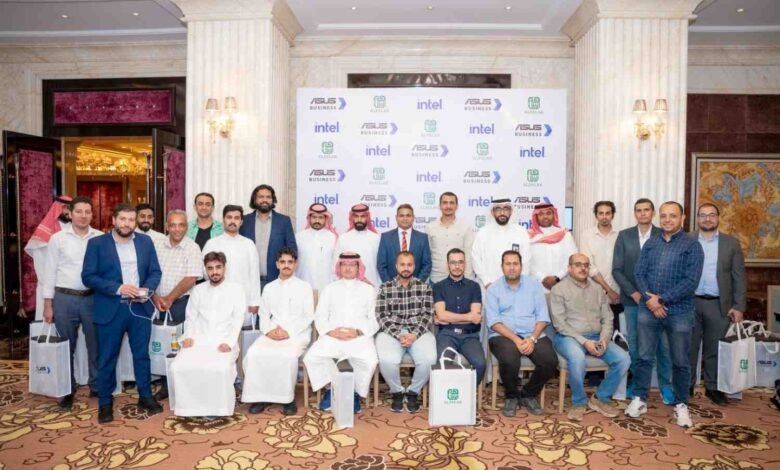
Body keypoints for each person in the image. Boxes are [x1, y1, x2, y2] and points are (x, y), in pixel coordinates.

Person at [82, 203, 163, 424]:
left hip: (140, 308)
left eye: (130, 220)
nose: (127, 224)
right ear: (114, 220)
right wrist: (117, 288)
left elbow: (155, 271)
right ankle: (105, 403)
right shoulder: (97, 244)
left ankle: (145, 396)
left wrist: (147, 289)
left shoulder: (146, 242)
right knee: (107, 357)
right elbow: (88, 277)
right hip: (111, 308)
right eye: (123, 219)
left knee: (142, 355)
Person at [627, 201, 704, 428]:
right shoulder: (651, 243)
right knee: (643, 357)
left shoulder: (692, 246)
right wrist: (651, 301)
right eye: (664, 216)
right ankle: (639, 399)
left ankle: (681, 404)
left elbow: (691, 282)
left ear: (683, 217)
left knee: (680, 361)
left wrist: (661, 299)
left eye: (672, 216)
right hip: (648, 310)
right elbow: (639, 273)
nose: (667, 220)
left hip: (679, 312)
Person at [550, 253, 630, 421]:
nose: (583, 268)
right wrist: (585, 342)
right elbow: (560, 324)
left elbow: (608, 318)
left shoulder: (597, 289)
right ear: (569, 268)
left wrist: (604, 338)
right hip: (568, 337)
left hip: (597, 336)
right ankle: (579, 402)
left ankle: (600, 398)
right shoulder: (559, 290)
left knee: (624, 359)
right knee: (578, 358)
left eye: (586, 265)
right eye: (578, 264)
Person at [168, 251, 246, 417]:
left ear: (225, 268)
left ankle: (218, 409)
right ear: (205, 270)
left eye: (218, 267)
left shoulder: (236, 290)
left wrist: (229, 343)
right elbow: (191, 317)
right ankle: (190, 408)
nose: (215, 272)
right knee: (178, 366)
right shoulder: (198, 290)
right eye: (210, 268)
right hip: (199, 339)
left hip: (224, 340)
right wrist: (188, 337)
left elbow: (238, 320)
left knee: (220, 367)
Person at [41, 196, 101, 410]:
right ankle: (67, 390)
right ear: (70, 213)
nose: (83, 216)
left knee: (96, 344)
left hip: (93, 298)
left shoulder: (100, 238)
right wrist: (48, 305)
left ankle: (96, 385)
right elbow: (49, 272)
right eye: (79, 211)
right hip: (64, 298)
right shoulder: (58, 238)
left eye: (87, 212)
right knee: (67, 346)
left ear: (92, 215)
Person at [612, 198, 673, 403]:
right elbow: (617, 270)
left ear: (653, 213)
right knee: (637, 347)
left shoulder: (663, 234)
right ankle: (638, 386)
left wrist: (657, 297)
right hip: (633, 302)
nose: (643, 213)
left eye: (646, 210)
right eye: (638, 210)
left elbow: (670, 270)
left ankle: (666, 386)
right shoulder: (624, 236)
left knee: (663, 346)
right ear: (634, 213)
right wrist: (635, 294)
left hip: (660, 301)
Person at [303, 253, 379, 414]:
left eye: (352, 264)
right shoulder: (330, 288)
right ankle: (331, 390)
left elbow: (375, 319)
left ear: (359, 267)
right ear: (339, 267)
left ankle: (354, 392)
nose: (348, 268)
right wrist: (332, 331)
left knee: (369, 360)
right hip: (333, 335)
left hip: (359, 336)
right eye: (344, 264)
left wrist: (358, 331)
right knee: (312, 357)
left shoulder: (368, 289)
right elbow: (320, 316)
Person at [242, 248, 314, 416]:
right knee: (254, 353)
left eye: (290, 262)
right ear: (277, 264)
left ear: (295, 264)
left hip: (297, 332)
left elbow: (308, 315)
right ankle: (259, 396)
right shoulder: (269, 287)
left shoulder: (304, 287)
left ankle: (287, 399)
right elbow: (263, 315)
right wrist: (269, 331)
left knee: (286, 355)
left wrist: (288, 332)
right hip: (272, 331)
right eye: (283, 262)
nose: (286, 266)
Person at [486, 251, 557, 417]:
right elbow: (494, 322)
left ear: (521, 266)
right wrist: (516, 339)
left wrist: (532, 338)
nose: (512, 268)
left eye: (515, 264)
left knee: (550, 361)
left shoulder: (534, 287)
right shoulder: (493, 289)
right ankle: (511, 395)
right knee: (510, 358)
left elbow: (542, 317)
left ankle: (528, 394)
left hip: (532, 333)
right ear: (502, 267)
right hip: (503, 336)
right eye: (508, 264)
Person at [689, 203, 746, 406]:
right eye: (703, 215)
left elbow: (739, 277)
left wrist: (739, 306)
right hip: (690, 303)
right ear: (697, 219)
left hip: (719, 305)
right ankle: (687, 385)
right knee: (689, 346)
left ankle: (713, 388)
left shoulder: (731, 244)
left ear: (718, 218)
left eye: (711, 215)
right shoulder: (687, 240)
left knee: (714, 349)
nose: (707, 219)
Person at [151, 209, 203, 401]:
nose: (176, 229)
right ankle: (164, 382)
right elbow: (148, 272)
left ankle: (181, 383)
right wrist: (155, 296)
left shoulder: (193, 247)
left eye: (181, 225)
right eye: (172, 224)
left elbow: (191, 278)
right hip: (156, 303)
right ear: (166, 226)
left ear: (186, 227)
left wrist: (170, 298)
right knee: (159, 344)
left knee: (179, 344)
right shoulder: (156, 245)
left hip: (181, 303)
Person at [376, 251, 436, 413]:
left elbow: (428, 315)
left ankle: (412, 392)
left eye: (409, 265)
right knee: (387, 360)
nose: (406, 268)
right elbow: (381, 316)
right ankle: (397, 391)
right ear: (396, 266)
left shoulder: (424, 288)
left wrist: (414, 334)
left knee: (429, 359)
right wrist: (399, 334)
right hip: (392, 332)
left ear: (414, 267)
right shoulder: (385, 288)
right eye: (402, 264)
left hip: (418, 332)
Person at [433, 248, 485, 384]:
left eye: (460, 262)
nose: (457, 266)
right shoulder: (438, 287)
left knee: (480, 364)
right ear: (447, 265)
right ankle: (447, 397)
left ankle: (467, 394)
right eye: (453, 262)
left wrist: (448, 317)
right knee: (443, 363)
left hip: (470, 336)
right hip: (447, 334)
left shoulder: (474, 287)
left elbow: (476, 315)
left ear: (465, 264)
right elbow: (441, 315)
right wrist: (468, 317)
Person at [203, 205, 262, 322]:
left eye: (236, 218)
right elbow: (205, 271)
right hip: (217, 298)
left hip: (243, 298)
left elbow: (254, 274)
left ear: (241, 222)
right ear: (223, 220)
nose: (232, 221)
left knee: (241, 334)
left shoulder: (249, 244)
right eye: (229, 217)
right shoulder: (212, 243)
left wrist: (255, 301)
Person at [239, 184, 297, 290]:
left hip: (277, 282)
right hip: (249, 281)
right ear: (255, 199)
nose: (265, 200)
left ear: (273, 200)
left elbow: (292, 249)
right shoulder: (244, 221)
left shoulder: (283, 221)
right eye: (261, 197)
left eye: (268, 197)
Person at [24, 195, 72, 321]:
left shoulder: (75, 228)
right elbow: (41, 266)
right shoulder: (44, 233)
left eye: (71, 208)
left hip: (69, 288)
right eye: (65, 208)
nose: (68, 212)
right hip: (50, 287)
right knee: (48, 327)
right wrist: (50, 288)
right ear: (57, 208)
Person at [472, 198, 531, 289]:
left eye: (506, 209)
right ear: (492, 212)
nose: (502, 213)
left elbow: (526, 260)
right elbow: (476, 259)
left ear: (511, 211)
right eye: (498, 209)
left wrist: (517, 283)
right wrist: (486, 282)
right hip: (489, 286)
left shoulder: (521, 232)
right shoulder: (483, 233)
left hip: (515, 287)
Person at [579, 201, 621, 320]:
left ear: (612, 215)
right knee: (596, 327)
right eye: (600, 213)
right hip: (594, 290)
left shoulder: (620, 235)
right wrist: (608, 290)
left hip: (618, 291)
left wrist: (614, 291)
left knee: (618, 329)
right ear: (596, 215)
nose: (604, 217)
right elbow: (589, 266)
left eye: (608, 213)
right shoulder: (587, 235)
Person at [426, 192, 475, 283]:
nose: (448, 206)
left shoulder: (465, 227)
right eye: (445, 203)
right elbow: (427, 255)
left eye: (451, 203)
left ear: (457, 206)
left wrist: (467, 278)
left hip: (459, 279)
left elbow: (468, 254)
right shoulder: (430, 228)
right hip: (436, 279)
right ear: (440, 206)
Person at [527, 203, 577, 292]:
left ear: (554, 215)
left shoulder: (565, 234)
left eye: (548, 213)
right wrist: (542, 278)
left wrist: (558, 277)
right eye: (541, 214)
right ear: (536, 216)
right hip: (536, 286)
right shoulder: (527, 236)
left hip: (562, 285)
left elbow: (573, 259)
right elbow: (526, 261)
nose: (545, 216)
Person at [377, 204, 432, 283]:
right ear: (396, 218)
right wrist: (391, 285)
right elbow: (381, 265)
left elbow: (427, 265)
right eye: (401, 215)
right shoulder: (386, 237)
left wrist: (417, 284)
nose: (405, 218)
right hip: (392, 288)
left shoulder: (422, 238)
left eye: (408, 215)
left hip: (415, 288)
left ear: (413, 218)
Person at [333, 204, 381, 287]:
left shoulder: (376, 239)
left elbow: (380, 267)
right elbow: (335, 265)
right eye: (356, 216)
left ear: (367, 218)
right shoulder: (343, 238)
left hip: (373, 285)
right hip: (347, 287)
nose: (359, 220)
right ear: (352, 218)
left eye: (362, 216)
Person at [295, 203, 338, 292]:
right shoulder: (299, 237)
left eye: (320, 217)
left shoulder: (333, 238)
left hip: (326, 286)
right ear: (309, 218)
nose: (317, 220)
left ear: (326, 219)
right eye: (314, 217)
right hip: (303, 285)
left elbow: (336, 264)